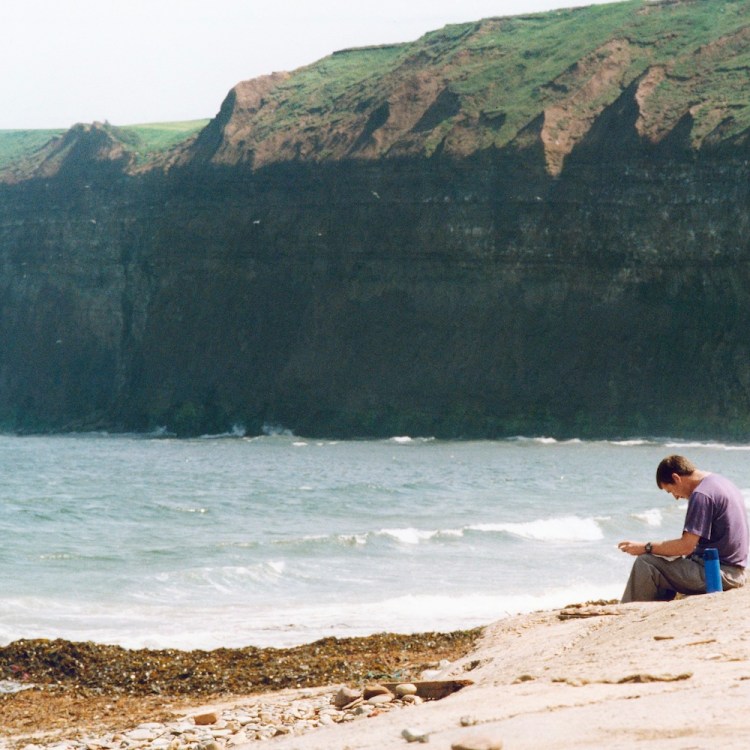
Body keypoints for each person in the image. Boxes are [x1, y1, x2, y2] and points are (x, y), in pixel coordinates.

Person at [618, 455, 748, 603]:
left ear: (676, 478)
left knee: (646, 562)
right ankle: (654, 607)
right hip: (733, 570)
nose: (676, 497)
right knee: (663, 557)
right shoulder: (719, 482)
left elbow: (686, 546)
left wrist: (645, 547)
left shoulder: (701, 495)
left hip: (720, 574)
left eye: (671, 491)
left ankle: (628, 613)